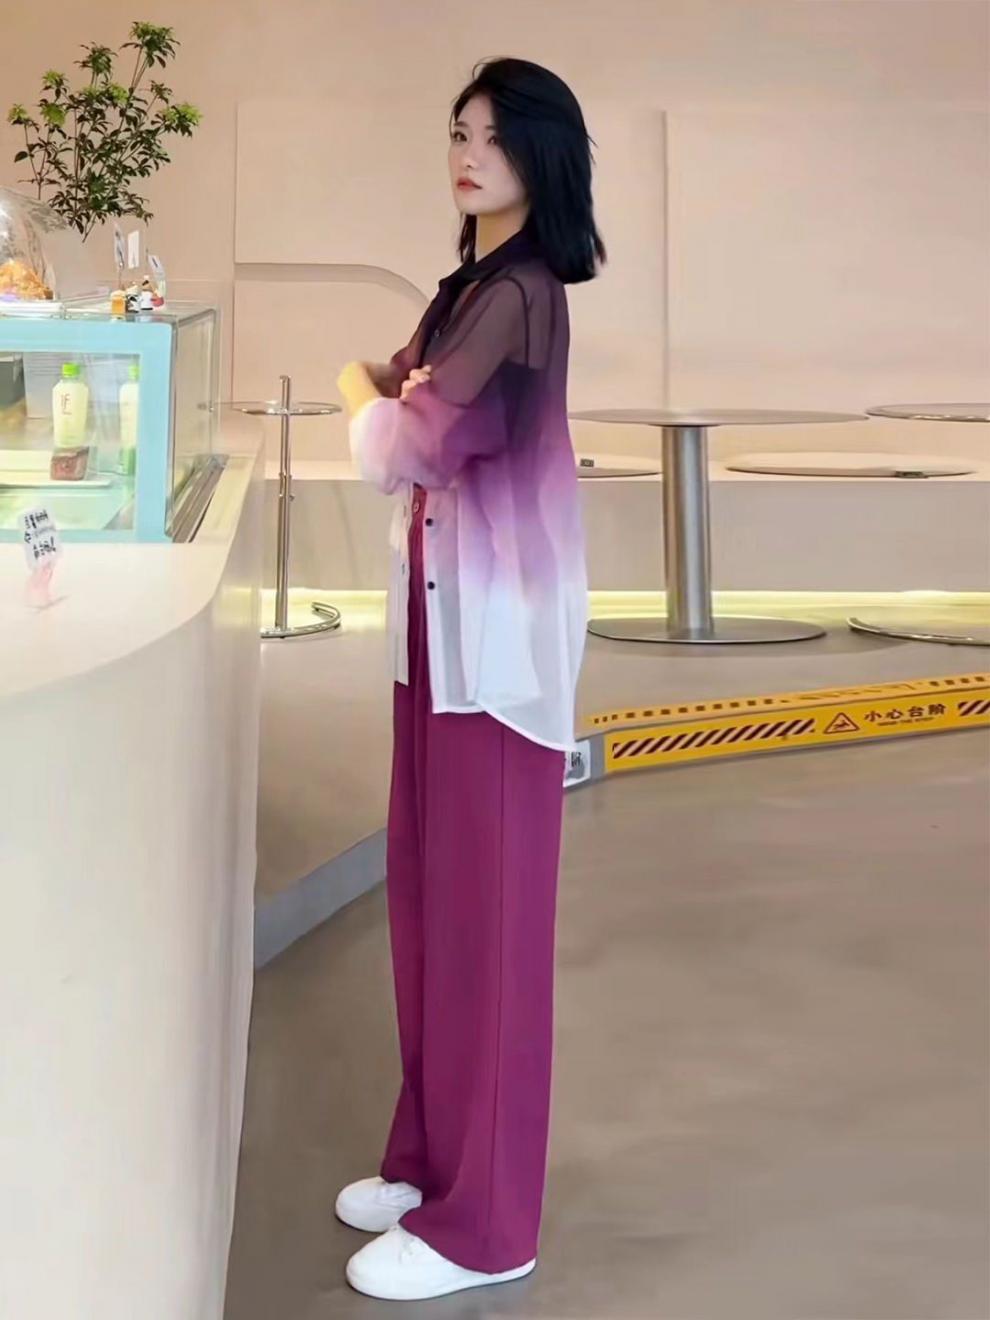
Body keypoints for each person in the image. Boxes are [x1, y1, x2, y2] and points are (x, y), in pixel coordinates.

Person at [335, 56, 605, 1302]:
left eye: (490, 137)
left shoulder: (521, 294)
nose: (466, 153)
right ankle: (431, 1163)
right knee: (432, 903)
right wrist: (384, 395)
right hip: (438, 633)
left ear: (539, 154)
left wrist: (361, 394)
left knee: (487, 929)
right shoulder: (467, 291)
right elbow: (405, 400)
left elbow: (408, 437)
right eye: (457, 132)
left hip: (493, 649)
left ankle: (488, 1225)